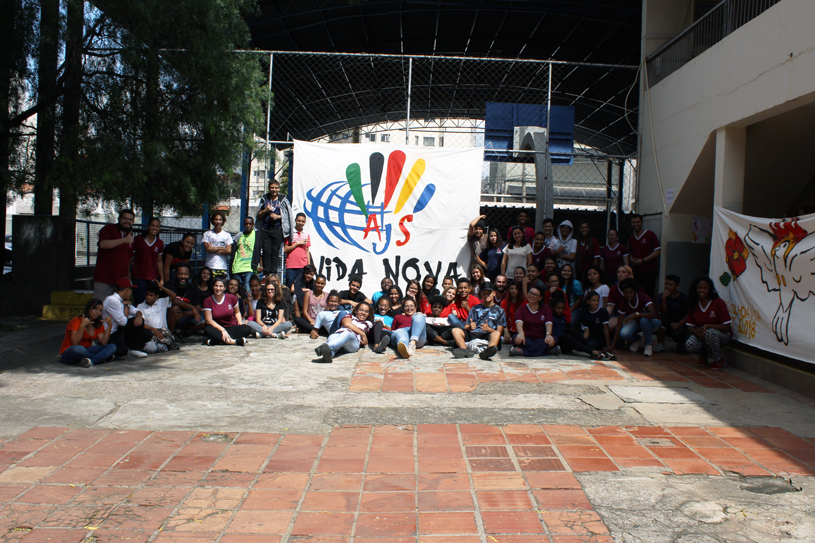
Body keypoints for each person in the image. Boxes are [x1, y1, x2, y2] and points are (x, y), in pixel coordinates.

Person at [684, 276, 732, 369]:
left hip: (721, 336)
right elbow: (690, 326)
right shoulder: (694, 303)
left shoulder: (718, 302)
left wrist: (708, 326)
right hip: (702, 335)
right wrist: (697, 332)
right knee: (690, 344)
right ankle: (703, 354)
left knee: (710, 333)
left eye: (705, 288)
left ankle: (718, 359)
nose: (702, 291)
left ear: (710, 289)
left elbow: (727, 327)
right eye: (699, 288)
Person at [547, 291, 609, 361]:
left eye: (562, 308)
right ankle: (591, 351)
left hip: (566, 344)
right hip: (557, 341)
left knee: (572, 330)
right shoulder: (550, 317)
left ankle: (593, 350)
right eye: (558, 308)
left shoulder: (562, 318)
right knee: (565, 336)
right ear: (552, 308)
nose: (561, 310)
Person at [450, 281, 505, 360]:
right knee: (455, 330)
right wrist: (470, 327)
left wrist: (489, 329)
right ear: (481, 294)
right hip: (473, 334)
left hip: (488, 335)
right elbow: (466, 326)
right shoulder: (474, 308)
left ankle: (487, 352)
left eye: (489, 293)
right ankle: (464, 350)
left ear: (494, 293)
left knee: (496, 333)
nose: (486, 295)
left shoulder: (500, 311)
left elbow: (500, 331)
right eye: (484, 293)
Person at [92, 209, 135, 301]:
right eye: (125, 218)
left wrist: (128, 273)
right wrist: (124, 240)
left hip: (121, 281)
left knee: (117, 307)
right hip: (104, 278)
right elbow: (103, 244)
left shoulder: (130, 235)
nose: (127, 221)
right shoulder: (109, 229)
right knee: (100, 305)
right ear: (119, 219)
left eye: (130, 219)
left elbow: (130, 256)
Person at [60, 298, 116, 368]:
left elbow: (103, 342)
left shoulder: (97, 323)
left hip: (87, 350)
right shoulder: (76, 321)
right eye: (95, 309)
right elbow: (74, 343)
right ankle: (101, 358)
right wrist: (82, 326)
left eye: (100, 310)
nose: (98, 313)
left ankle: (92, 361)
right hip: (71, 351)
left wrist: (109, 325)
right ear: (88, 309)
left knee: (112, 346)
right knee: (79, 349)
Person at [611, 278, 661, 356]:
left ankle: (648, 344)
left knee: (644, 320)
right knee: (624, 334)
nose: (628, 295)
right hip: (638, 323)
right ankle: (637, 339)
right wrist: (613, 345)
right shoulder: (623, 303)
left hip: (653, 322)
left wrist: (636, 314)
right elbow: (619, 325)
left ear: (635, 291)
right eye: (626, 293)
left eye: (631, 292)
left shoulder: (643, 297)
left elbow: (654, 314)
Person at [103, 278, 150, 358]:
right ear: (128, 289)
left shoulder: (121, 300)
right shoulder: (112, 300)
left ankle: (135, 348)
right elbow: (123, 322)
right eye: (131, 290)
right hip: (109, 333)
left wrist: (139, 316)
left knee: (146, 331)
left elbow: (136, 311)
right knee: (121, 351)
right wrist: (127, 307)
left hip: (118, 330)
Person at [257, 179, 295, 278]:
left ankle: (273, 274)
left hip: (277, 229)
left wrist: (277, 217)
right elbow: (258, 215)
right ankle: (266, 274)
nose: (274, 190)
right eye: (272, 188)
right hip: (265, 229)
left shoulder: (283, 200)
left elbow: (289, 216)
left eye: (276, 188)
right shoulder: (264, 199)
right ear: (269, 188)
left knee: (275, 252)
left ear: (279, 188)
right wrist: (265, 210)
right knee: (266, 251)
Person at [202, 278, 253, 346]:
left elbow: (237, 312)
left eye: (220, 286)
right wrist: (222, 330)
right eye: (216, 286)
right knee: (207, 329)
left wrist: (240, 322)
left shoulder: (231, 298)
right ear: (213, 287)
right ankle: (233, 341)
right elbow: (209, 320)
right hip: (217, 328)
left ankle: (217, 341)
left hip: (232, 327)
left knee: (247, 328)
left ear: (225, 288)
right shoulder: (208, 301)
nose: (218, 288)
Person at [510, 286, 556, 357]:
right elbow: (519, 323)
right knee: (515, 338)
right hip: (526, 338)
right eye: (530, 293)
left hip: (541, 339)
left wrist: (548, 335)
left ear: (540, 298)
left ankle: (523, 351)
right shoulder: (521, 309)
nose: (531, 296)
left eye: (535, 295)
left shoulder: (546, 309)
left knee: (554, 339)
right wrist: (521, 333)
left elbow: (549, 323)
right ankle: (547, 351)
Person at [135, 282, 178, 354]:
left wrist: (161, 287)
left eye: (151, 295)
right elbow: (142, 323)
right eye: (147, 295)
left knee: (162, 348)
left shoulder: (162, 302)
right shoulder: (140, 306)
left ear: (156, 296)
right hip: (150, 334)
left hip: (162, 333)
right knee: (152, 349)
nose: (148, 297)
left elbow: (173, 295)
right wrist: (154, 330)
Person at [132, 217, 165, 305]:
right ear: (148, 226)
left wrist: (162, 278)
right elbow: (131, 257)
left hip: (152, 277)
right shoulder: (138, 239)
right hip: (138, 276)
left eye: (157, 226)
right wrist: (128, 272)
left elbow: (159, 261)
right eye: (152, 225)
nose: (154, 228)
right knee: (140, 302)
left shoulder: (160, 243)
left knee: (151, 302)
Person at [164, 264, 205, 334]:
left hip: (184, 315)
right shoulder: (169, 285)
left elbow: (198, 308)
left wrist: (185, 314)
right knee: (175, 308)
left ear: (189, 275)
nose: (183, 276)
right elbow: (173, 300)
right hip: (169, 315)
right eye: (180, 274)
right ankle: (171, 335)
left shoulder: (192, 288)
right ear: (176, 274)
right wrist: (191, 307)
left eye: (185, 274)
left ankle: (180, 330)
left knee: (202, 323)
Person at [627, 214, 661, 298]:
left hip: (649, 271)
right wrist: (632, 259)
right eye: (633, 222)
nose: (635, 224)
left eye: (637, 222)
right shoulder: (631, 238)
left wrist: (643, 260)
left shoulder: (650, 234)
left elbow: (657, 251)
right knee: (637, 294)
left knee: (648, 295)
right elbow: (630, 252)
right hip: (636, 271)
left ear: (642, 222)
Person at [655, 274, 689, 353]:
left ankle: (681, 344)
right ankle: (660, 344)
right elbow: (662, 311)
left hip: (681, 324)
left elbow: (689, 314)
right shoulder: (662, 296)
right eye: (666, 284)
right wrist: (663, 299)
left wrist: (679, 324)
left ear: (677, 286)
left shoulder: (683, 298)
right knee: (660, 318)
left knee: (679, 338)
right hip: (668, 323)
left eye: (670, 285)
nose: (667, 287)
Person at [231, 216, 262, 296]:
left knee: (248, 290)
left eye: (250, 224)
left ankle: (248, 304)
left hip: (249, 268)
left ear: (253, 225)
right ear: (243, 224)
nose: (248, 226)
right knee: (237, 292)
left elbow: (260, 251)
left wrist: (261, 265)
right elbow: (233, 252)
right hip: (237, 268)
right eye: (246, 224)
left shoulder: (257, 235)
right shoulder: (239, 236)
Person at [578, 291, 613, 356]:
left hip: (599, 340)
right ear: (588, 301)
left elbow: (605, 329)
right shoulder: (586, 314)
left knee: (589, 345)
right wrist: (581, 342)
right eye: (593, 301)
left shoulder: (603, 311)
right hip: (591, 338)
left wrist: (608, 346)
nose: (596, 303)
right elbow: (587, 332)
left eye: (597, 300)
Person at [202, 212, 232, 281]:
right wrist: (221, 248)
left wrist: (213, 248)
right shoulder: (207, 234)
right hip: (210, 266)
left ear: (223, 221)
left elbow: (228, 250)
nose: (218, 222)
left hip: (222, 267)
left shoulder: (227, 235)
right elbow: (207, 248)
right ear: (213, 221)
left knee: (220, 285)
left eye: (220, 220)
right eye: (216, 219)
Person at [284, 213, 311, 286]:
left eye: (303, 221)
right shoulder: (290, 233)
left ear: (305, 222)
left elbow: (307, 250)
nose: (300, 223)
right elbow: (285, 249)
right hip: (291, 266)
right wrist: (297, 243)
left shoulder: (306, 234)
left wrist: (308, 265)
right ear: (295, 220)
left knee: (301, 287)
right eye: (299, 221)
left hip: (303, 266)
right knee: (290, 286)